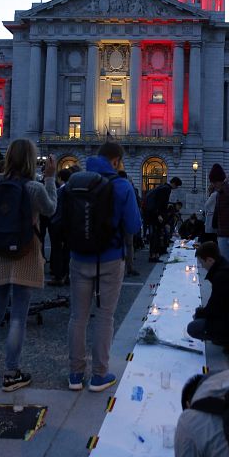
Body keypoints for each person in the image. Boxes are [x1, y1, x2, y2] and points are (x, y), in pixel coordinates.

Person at [0, 140, 57, 392]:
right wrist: (50, 178)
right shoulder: (34, 188)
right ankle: (11, 372)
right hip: (25, 253)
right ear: (31, 159)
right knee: (18, 315)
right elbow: (51, 210)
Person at [67, 141, 141, 392]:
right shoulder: (122, 186)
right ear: (116, 161)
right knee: (104, 316)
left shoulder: (74, 182)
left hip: (79, 256)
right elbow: (133, 227)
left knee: (78, 317)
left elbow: (58, 217)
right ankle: (99, 375)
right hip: (110, 257)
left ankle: (75, 375)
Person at [145, 176, 182, 262]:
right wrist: (159, 215)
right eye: (177, 186)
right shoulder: (166, 189)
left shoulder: (162, 186)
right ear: (174, 183)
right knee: (156, 235)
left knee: (155, 235)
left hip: (152, 214)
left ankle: (154, 255)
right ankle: (154, 256)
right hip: (156, 216)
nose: (176, 188)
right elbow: (160, 203)